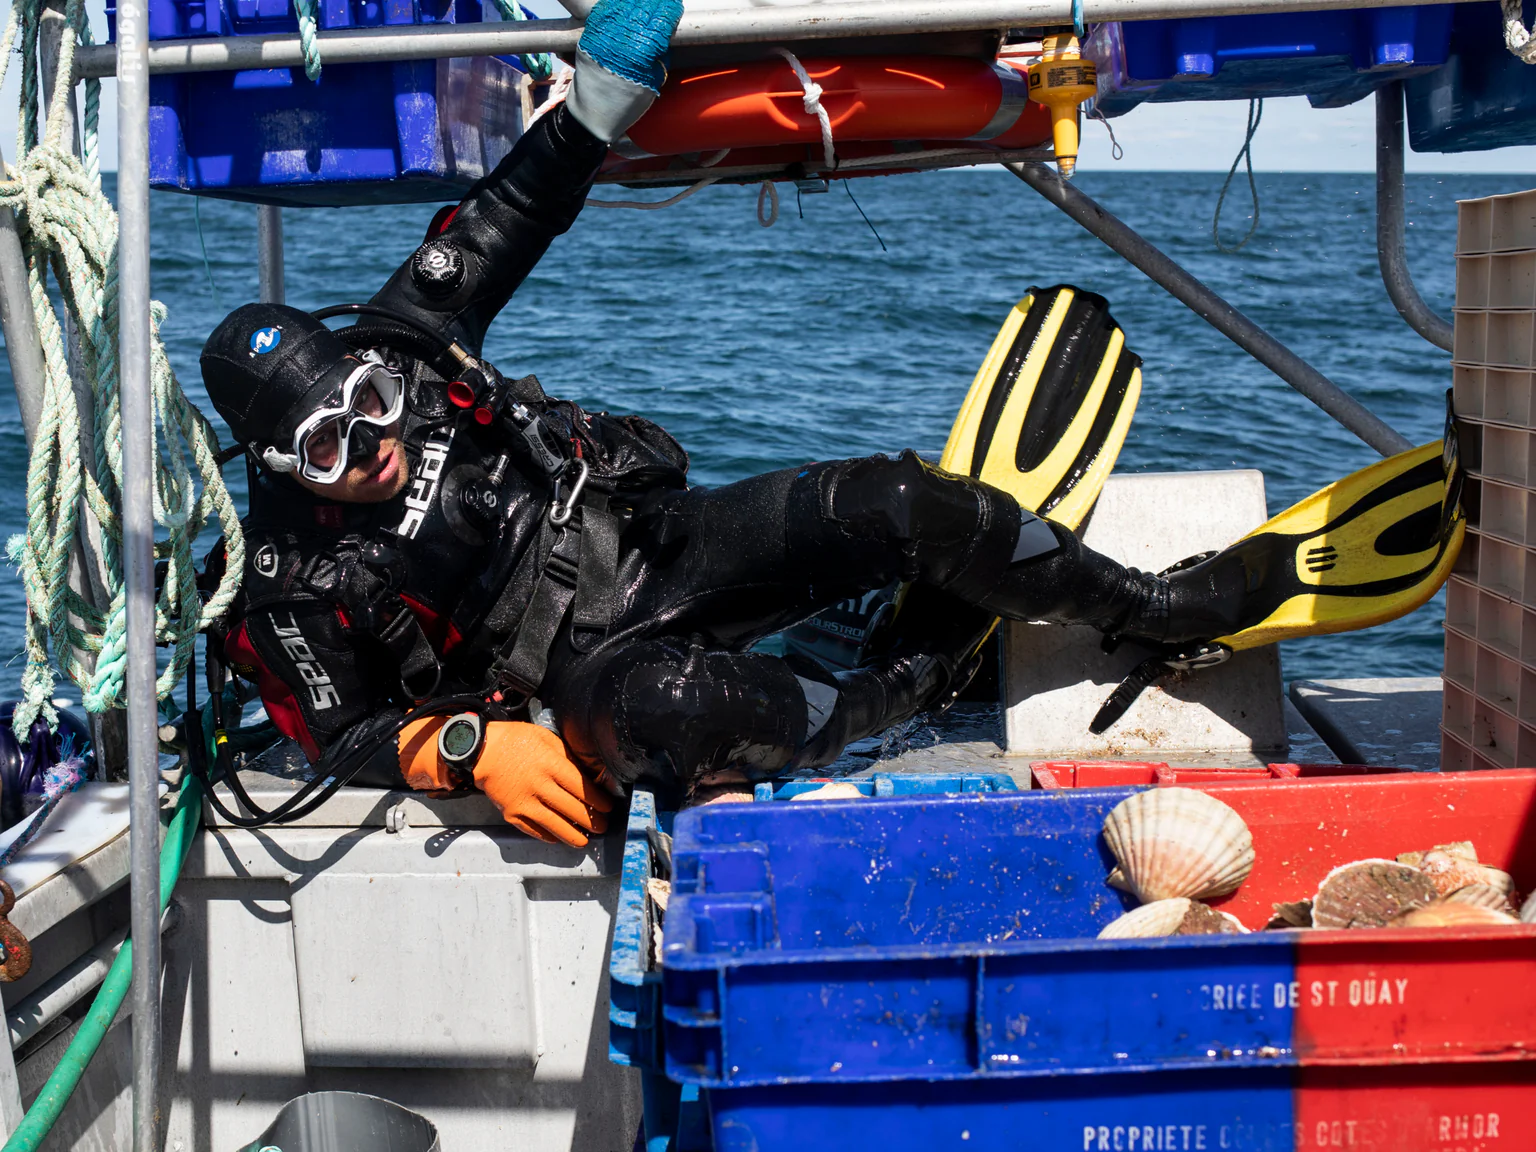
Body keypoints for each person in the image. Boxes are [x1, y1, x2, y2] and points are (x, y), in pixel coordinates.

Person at [201, 0, 1238, 847]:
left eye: (367, 406)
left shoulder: (404, 344)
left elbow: (505, 218)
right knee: (679, 718)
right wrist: (467, 750)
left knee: (894, 499)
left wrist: (592, 103)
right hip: (576, 680)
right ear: (279, 465)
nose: (370, 443)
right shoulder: (288, 581)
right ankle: (912, 678)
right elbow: (338, 736)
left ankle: (1148, 604)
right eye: (329, 447)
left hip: (657, 546)